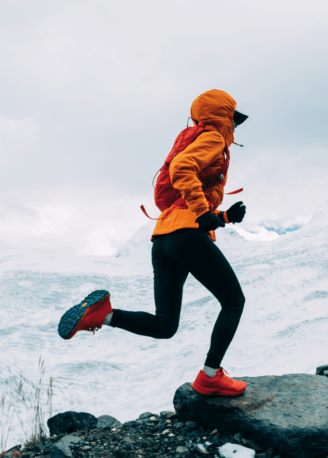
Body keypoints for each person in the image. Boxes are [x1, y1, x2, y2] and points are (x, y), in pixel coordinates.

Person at [57, 89, 248, 397]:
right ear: (223, 118)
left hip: (163, 239)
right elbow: (182, 170)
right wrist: (203, 213)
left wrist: (223, 217)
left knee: (165, 325)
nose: (235, 128)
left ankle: (102, 315)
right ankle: (210, 376)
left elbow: (185, 192)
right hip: (187, 235)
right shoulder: (213, 138)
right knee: (233, 301)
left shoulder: (195, 137)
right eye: (233, 120)